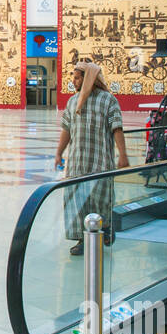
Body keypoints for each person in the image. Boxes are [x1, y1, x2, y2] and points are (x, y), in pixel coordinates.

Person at [54, 63, 129, 256]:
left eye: (78, 77)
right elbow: (66, 129)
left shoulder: (108, 100)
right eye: (73, 77)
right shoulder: (72, 102)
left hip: (100, 161)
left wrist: (123, 154)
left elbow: (117, 127)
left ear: (89, 78)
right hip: (77, 162)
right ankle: (82, 239)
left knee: (100, 199)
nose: (73, 81)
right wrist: (58, 153)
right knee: (76, 200)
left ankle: (106, 227)